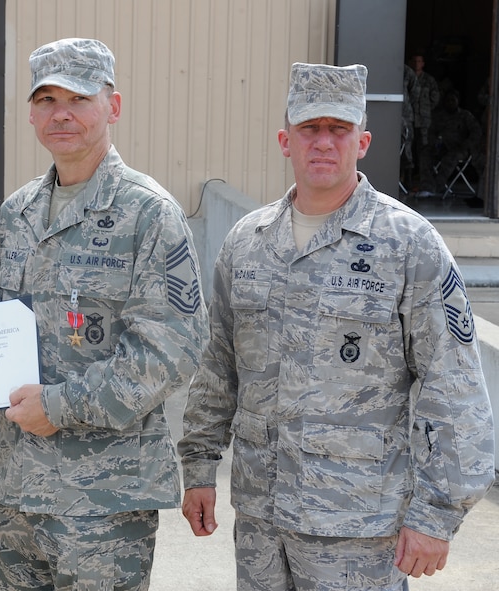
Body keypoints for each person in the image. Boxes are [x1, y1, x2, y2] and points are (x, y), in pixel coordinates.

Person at [0, 38, 207, 590]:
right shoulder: (19, 210)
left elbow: (172, 350)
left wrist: (61, 406)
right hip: (19, 488)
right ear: (31, 113)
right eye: (45, 99)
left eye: (79, 98)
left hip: (105, 497)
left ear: (112, 106)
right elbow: (4, 305)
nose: (61, 113)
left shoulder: (148, 214)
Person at [179, 62, 495, 590]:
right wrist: (198, 466)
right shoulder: (246, 243)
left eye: (338, 130)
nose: (323, 143)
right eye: (309, 129)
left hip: (358, 530)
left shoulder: (408, 245)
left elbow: (453, 386)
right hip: (261, 525)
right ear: (286, 140)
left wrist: (436, 514)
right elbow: (219, 366)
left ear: (363, 141)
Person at [425, 89, 481, 196]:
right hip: (441, 147)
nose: (450, 102)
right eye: (448, 100)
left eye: (453, 100)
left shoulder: (465, 116)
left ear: (458, 101)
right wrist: (433, 142)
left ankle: (438, 186)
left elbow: (476, 131)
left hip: (459, 149)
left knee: (450, 158)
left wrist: (467, 144)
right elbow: (431, 131)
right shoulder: (439, 116)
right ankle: (426, 187)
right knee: (425, 154)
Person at [408, 54, 441, 195]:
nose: (417, 63)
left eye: (419, 61)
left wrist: (425, 110)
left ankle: (425, 185)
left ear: (423, 63)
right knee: (408, 152)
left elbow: (435, 98)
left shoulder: (429, 80)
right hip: (409, 120)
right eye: (414, 61)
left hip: (424, 122)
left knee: (424, 153)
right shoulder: (407, 77)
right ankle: (407, 184)